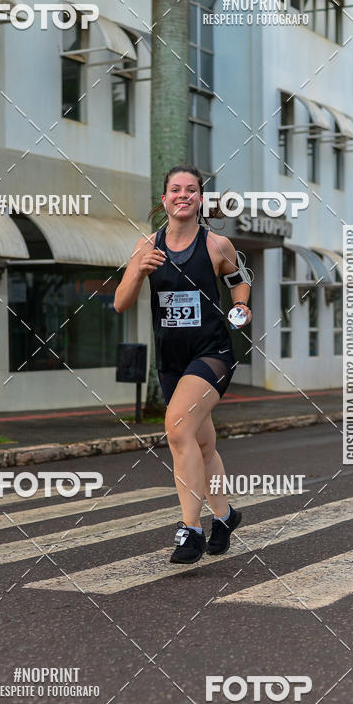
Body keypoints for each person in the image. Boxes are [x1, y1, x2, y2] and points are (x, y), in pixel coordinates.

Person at [114, 164, 252, 564]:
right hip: (171, 361)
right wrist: (138, 271)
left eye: (191, 190)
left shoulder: (217, 245)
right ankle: (224, 516)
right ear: (164, 200)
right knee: (202, 444)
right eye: (175, 189)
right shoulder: (146, 246)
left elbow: (239, 280)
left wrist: (241, 305)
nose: (183, 195)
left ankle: (190, 529)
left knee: (176, 428)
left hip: (212, 355)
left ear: (200, 199)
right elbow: (121, 303)